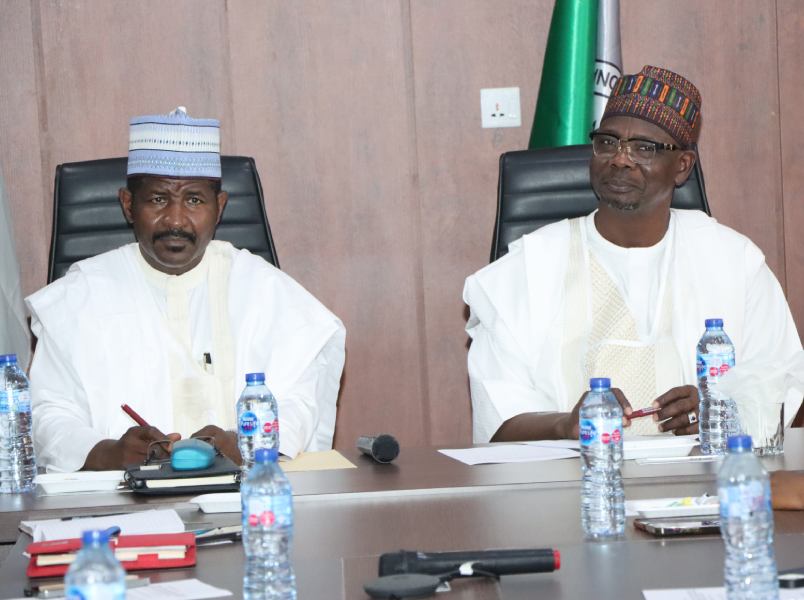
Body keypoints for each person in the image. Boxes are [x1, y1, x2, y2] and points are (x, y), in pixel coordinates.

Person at [464, 66, 802, 443]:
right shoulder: (528, 268)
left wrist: (721, 412)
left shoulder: (734, 261)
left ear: (682, 167)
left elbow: (782, 386)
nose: (620, 159)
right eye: (608, 142)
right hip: (570, 490)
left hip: (705, 487)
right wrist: (565, 425)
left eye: (644, 148)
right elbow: (497, 422)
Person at [27, 107, 346, 472]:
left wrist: (248, 443)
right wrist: (105, 453)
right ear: (129, 205)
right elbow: (48, 411)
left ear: (219, 207)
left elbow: (300, 397)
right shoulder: (78, 296)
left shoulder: (265, 289)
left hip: (243, 497)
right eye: (158, 199)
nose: (176, 220)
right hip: (121, 505)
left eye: (194, 200)